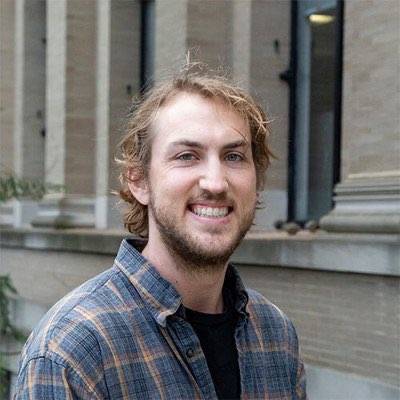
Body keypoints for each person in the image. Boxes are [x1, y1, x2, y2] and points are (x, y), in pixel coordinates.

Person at [14, 63, 307, 399]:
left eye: (234, 156)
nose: (215, 182)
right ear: (139, 181)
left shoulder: (276, 335)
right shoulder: (73, 351)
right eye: (186, 155)